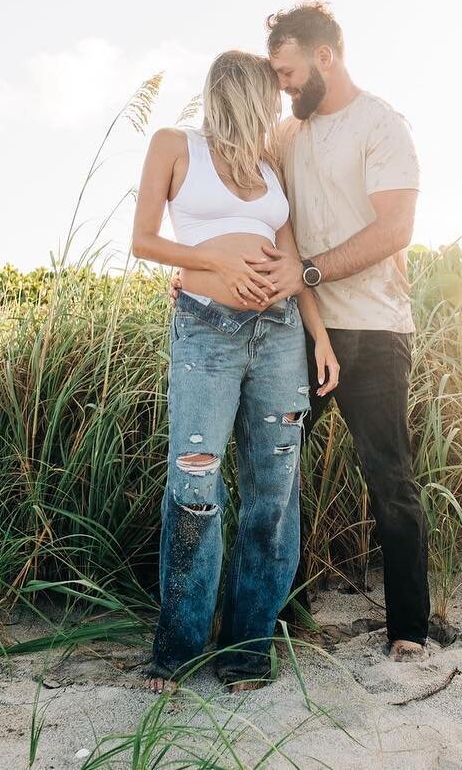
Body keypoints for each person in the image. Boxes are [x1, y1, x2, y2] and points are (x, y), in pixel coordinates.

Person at [174, 1, 430, 662]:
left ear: (326, 56)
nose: (283, 87)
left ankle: (409, 628)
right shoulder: (285, 137)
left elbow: (394, 229)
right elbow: (249, 212)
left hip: (372, 328)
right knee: (273, 477)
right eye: (277, 77)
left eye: (289, 73)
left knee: (389, 477)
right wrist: (201, 270)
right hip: (292, 330)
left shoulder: (381, 125)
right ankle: (282, 613)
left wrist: (309, 271)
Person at [130, 49, 341, 694]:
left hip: (279, 337)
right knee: (196, 487)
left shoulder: (268, 167)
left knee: (274, 492)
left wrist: (321, 338)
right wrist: (216, 265)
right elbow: (143, 241)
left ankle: (249, 649)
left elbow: (290, 257)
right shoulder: (175, 145)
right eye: (265, 98)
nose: (273, 107)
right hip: (206, 332)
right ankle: (179, 648)